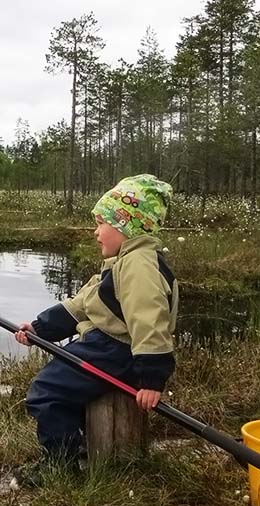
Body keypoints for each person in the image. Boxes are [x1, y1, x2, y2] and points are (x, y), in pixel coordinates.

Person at [15, 174, 178, 477]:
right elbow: (82, 304)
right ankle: (79, 445)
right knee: (59, 385)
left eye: (101, 223)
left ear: (125, 225)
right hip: (107, 346)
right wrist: (40, 329)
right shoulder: (121, 262)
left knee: (46, 391)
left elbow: (149, 319)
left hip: (117, 352)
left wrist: (152, 378)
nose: (95, 232)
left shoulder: (138, 266)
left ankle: (60, 464)